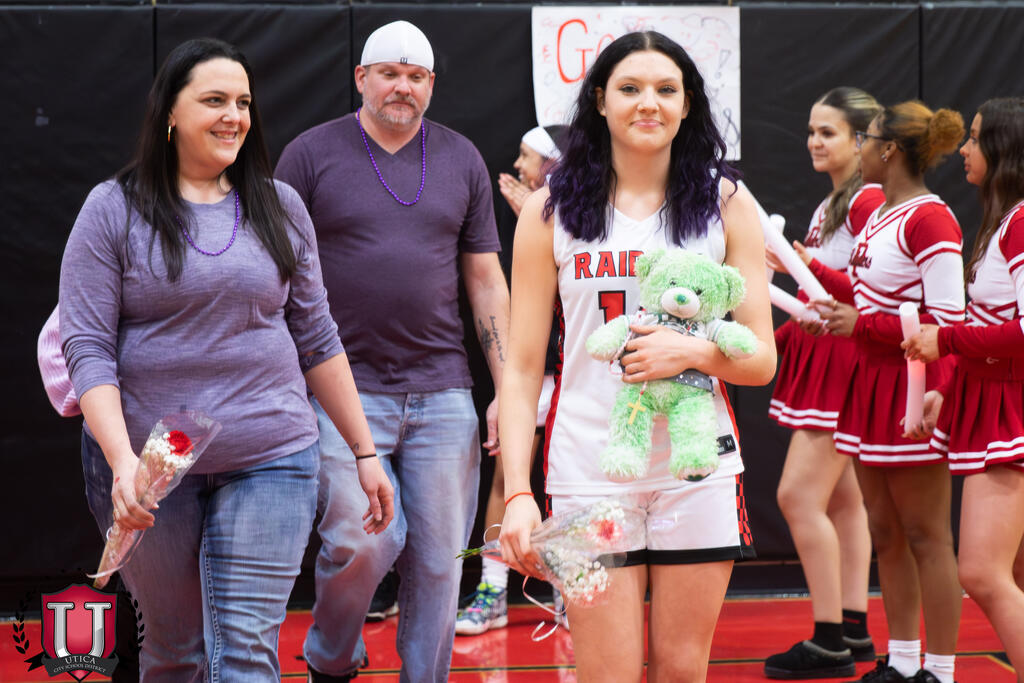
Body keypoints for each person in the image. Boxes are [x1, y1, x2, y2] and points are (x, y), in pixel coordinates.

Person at [59, 38, 393, 682]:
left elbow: (317, 338)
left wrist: (364, 452)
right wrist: (125, 464)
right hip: (149, 469)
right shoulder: (113, 208)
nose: (233, 116)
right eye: (214, 100)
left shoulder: (279, 205)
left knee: (245, 654)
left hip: (271, 455)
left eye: (242, 102)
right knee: (174, 652)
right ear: (170, 112)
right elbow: (88, 347)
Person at [498, 31, 776, 682]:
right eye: (629, 88)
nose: (648, 102)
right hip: (587, 471)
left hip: (696, 472)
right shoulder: (548, 211)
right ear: (600, 101)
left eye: (665, 89)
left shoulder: (728, 203)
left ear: (687, 105)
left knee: (682, 670)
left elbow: (761, 359)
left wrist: (693, 349)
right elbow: (522, 367)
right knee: (607, 673)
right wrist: (516, 491)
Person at [274, 20, 509, 683]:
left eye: (416, 76)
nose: (403, 86)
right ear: (362, 78)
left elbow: (486, 280)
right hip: (342, 391)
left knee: (440, 563)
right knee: (363, 540)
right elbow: (274, 275)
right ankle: (331, 658)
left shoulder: (461, 157)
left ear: (431, 83)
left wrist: (507, 391)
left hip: (444, 389)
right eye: (389, 73)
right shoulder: (309, 155)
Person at [812, 101, 966, 683]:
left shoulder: (931, 219)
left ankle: (941, 670)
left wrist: (865, 326)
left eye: (867, 137)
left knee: (928, 535)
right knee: (885, 532)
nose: (860, 147)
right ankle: (901, 663)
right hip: (868, 383)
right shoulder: (879, 212)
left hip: (913, 384)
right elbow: (866, 296)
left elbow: (948, 322)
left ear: (889, 150)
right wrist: (829, 304)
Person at [903, 96, 1024, 681]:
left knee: (981, 572)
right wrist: (948, 389)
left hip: (1012, 406)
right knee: (1014, 574)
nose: (965, 150)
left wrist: (945, 341)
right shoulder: (1004, 220)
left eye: (975, 138)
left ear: (1004, 149)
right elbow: (988, 321)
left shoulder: (1020, 223)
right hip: (989, 397)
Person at [763, 87, 882, 679]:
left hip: (845, 360)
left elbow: (870, 293)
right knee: (844, 500)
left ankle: (829, 638)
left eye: (827, 132)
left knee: (798, 497)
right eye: (811, 130)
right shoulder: (832, 203)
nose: (813, 141)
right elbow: (824, 296)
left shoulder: (868, 201)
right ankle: (854, 628)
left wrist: (803, 265)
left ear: (862, 141)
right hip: (828, 353)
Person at [455, 124, 567, 636]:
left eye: (528, 156)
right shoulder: (512, 215)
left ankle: (571, 588)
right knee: (506, 478)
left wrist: (545, 222)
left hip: (574, 373)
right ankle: (492, 591)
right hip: (528, 375)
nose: (518, 166)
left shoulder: (586, 214)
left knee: (569, 482)